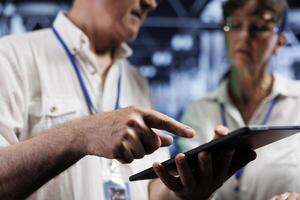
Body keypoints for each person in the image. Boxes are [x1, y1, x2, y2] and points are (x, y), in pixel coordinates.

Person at [0, 0, 256, 199]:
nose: (152, 3)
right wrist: (81, 134)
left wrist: (184, 191)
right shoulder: (11, 58)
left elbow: (148, 191)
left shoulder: (136, 81)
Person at [179, 0, 300, 199]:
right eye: (235, 25)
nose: (244, 36)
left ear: (279, 42)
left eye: (259, 28)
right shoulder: (198, 112)